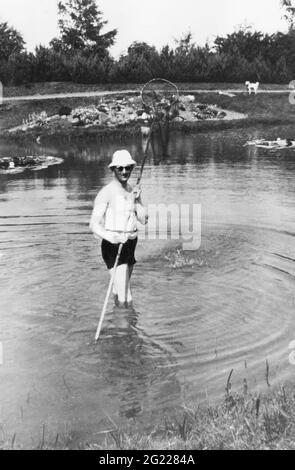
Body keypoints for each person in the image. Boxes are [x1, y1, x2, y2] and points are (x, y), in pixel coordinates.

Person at [89, 149, 148, 307]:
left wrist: (138, 200)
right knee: (126, 296)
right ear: (112, 169)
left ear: (131, 168)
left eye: (127, 168)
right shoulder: (106, 193)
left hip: (130, 244)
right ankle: (126, 330)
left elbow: (143, 220)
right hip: (113, 246)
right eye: (119, 168)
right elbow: (93, 224)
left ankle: (118, 325)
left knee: (119, 290)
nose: (124, 171)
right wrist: (111, 237)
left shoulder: (131, 191)